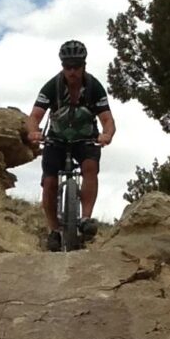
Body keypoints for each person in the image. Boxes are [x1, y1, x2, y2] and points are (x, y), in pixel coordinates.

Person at [24, 39, 115, 249]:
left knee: (90, 167)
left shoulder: (94, 87)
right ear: (62, 66)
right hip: (56, 138)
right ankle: (54, 230)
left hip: (85, 138)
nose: (72, 71)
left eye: (76, 66)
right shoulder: (52, 86)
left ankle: (85, 219)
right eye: (67, 67)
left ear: (84, 65)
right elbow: (35, 116)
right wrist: (33, 132)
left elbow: (107, 119)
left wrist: (106, 135)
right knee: (49, 182)